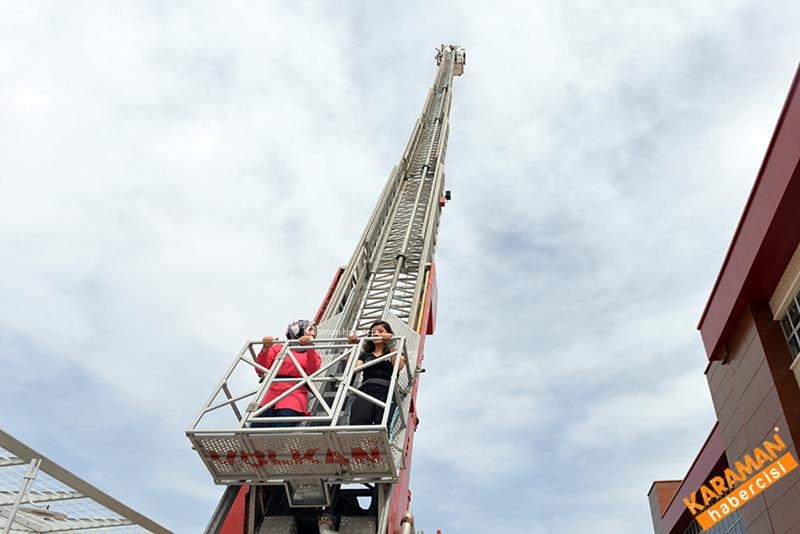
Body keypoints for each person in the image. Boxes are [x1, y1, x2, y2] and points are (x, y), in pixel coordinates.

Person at [252, 319, 321, 427]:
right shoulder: (278, 348)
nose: (313, 334)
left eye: (314, 331)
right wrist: (265, 348)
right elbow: (260, 369)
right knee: (257, 429)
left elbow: (312, 372)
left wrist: (310, 348)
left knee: (280, 429)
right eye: (310, 329)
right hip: (269, 395)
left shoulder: (313, 353)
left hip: (294, 395)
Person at [349, 320, 405, 426]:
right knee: (358, 422)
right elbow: (353, 369)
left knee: (382, 425)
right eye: (373, 332)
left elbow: (398, 366)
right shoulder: (365, 355)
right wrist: (352, 347)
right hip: (366, 390)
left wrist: (391, 343)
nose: (376, 334)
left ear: (389, 333)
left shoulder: (394, 352)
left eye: (380, 331)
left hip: (386, 391)